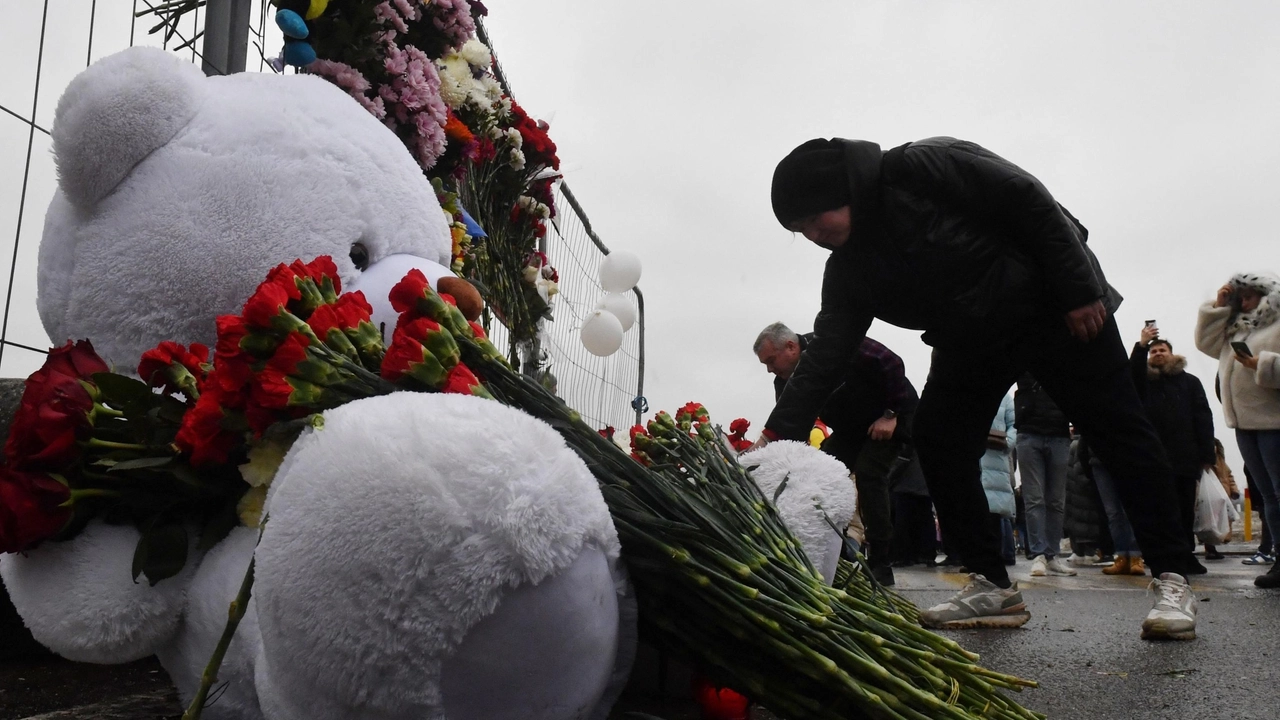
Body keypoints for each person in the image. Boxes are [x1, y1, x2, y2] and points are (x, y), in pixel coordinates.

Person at [757, 136, 1198, 639]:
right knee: (940, 438)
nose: (814, 235)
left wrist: (1078, 289)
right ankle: (991, 583)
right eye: (801, 231)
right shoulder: (848, 269)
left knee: (1118, 428)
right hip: (972, 336)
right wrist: (776, 436)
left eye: (816, 219)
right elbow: (827, 356)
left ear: (847, 190)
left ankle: (1172, 575)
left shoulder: (918, 166)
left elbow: (1029, 199)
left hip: (1053, 307)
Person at [753, 322, 918, 585]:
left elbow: (891, 362)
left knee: (868, 472)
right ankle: (831, 549)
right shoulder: (785, 383)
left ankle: (881, 561)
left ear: (791, 346)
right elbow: (790, 423)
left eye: (771, 361)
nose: (770, 369)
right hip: (851, 428)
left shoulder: (835, 342)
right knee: (818, 471)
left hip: (890, 415)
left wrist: (891, 414)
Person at [1196, 272, 1280, 588]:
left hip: (1275, 423)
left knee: (1278, 493)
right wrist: (1218, 306)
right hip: (1245, 425)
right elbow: (1206, 343)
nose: (1242, 303)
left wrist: (1262, 364)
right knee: (1270, 496)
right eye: (1238, 297)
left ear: (1265, 294)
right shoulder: (1238, 328)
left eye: (1247, 296)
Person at [1132, 327, 1216, 571]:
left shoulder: (1190, 382)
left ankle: (1185, 555)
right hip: (1153, 457)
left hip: (1184, 458)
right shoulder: (1144, 381)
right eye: (1154, 350)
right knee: (1158, 510)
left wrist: (1206, 455)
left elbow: (1203, 417)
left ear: (1171, 354)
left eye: (1162, 350)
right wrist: (1141, 345)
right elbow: (1131, 375)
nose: (1158, 353)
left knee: (1184, 510)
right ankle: (1162, 556)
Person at [1014, 373, 1076, 577]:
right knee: (1035, 499)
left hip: (1059, 434)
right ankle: (1039, 553)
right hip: (1029, 433)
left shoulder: (1064, 362)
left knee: (1056, 501)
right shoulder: (1024, 359)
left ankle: (1052, 555)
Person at [982, 394, 1019, 566]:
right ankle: (975, 557)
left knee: (994, 510)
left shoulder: (1004, 397)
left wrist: (1007, 443)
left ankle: (993, 558)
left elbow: (1014, 425)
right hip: (971, 454)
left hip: (996, 454)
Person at [1204, 438, 1241, 560]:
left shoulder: (1222, 462)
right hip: (1212, 498)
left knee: (1223, 521)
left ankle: (1216, 544)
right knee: (1211, 522)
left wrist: (1234, 490)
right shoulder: (1206, 463)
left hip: (1224, 497)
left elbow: (1229, 476)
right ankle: (1210, 548)